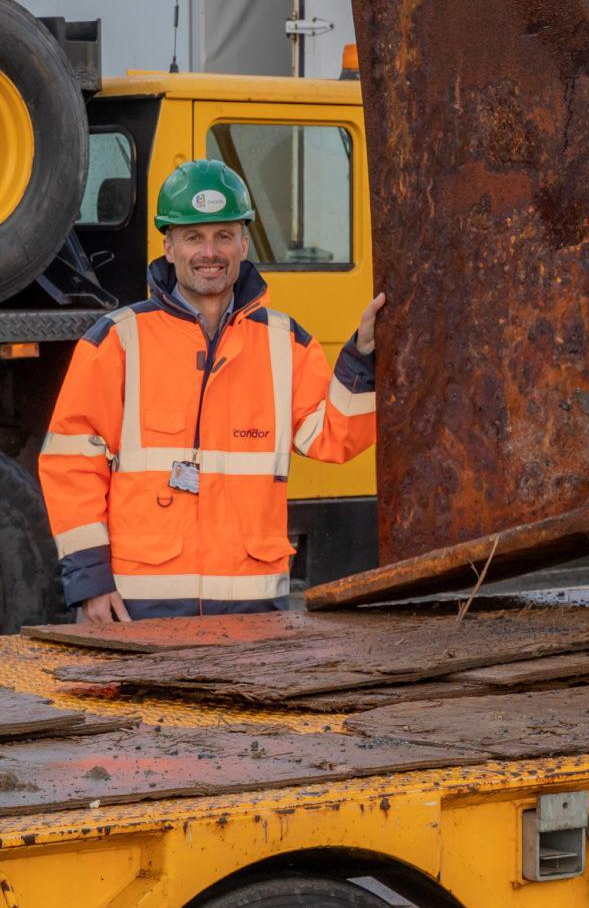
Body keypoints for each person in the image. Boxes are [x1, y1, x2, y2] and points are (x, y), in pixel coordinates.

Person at [39, 159, 382, 620]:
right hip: (138, 606)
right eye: (193, 236)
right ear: (169, 245)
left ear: (244, 243)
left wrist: (362, 356)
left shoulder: (286, 342)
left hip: (251, 606)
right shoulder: (118, 340)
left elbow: (332, 437)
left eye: (224, 235)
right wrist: (90, 583)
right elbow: (71, 465)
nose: (210, 251)